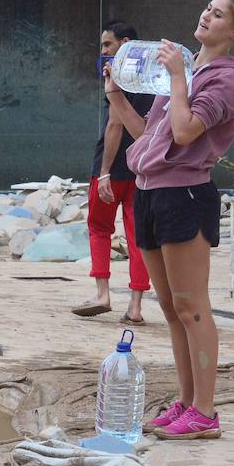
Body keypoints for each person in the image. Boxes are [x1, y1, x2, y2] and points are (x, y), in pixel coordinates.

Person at [106, 0, 234, 441]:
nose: (206, 16)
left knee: (192, 306)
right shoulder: (190, 67)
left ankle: (205, 412)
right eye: (207, 8)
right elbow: (151, 136)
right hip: (151, 192)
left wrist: (179, 77)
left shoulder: (225, 80)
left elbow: (183, 133)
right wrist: (117, 97)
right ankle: (184, 403)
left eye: (218, 14)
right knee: (171, 307)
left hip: (186, 196)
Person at [73, 20, 154, 324]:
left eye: (107, 44)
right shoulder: (154, 76)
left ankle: (102, 294)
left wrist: (105, 170)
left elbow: (114, 124)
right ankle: (135, 306)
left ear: (125, 42)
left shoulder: (117, 76)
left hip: (114, 168)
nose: (104, 51)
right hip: (143, 169)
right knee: (137, 236)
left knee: (99, 227)